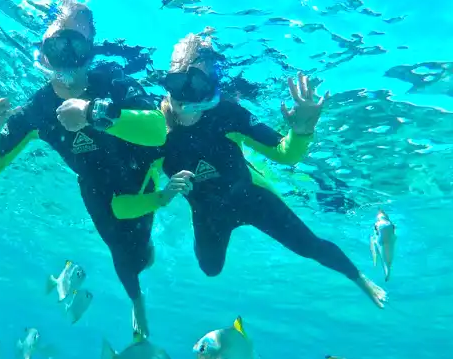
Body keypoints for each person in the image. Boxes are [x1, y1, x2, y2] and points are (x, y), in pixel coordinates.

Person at [111, 33, 387, 309]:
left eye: (198, 85)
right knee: (210, 269)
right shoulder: (155, 132)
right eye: (179, 83)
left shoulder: (227, 114)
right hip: (207, 212)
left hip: (252, 197)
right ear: (168, 84)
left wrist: (302, 131)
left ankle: (359, 277)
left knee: (308, 246)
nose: (187, 97)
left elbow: (285, 153)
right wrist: (164, 195)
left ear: (212, 89)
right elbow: (122, 206)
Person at [0, 0, 166, 335]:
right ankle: (137, 301)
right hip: (96, 190)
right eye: (57, 46)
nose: (67, 55)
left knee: (139, 247)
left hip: (142, 176)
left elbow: (158, 132)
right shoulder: (37, 111)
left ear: (90, 52)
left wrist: (94, 114)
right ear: (42, 54)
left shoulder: (113, 82)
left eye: (77, 46)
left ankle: (144, 255)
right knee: (121, 255)